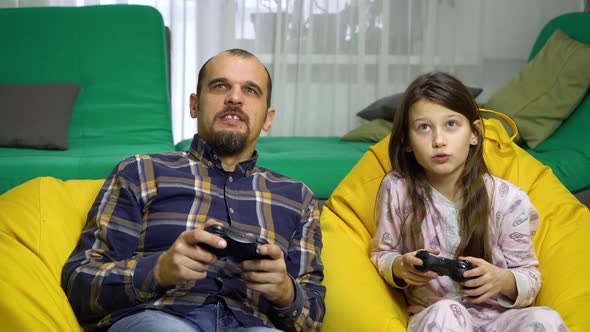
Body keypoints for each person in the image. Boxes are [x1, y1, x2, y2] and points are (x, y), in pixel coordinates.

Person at [61, 48, 326, 332]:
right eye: (220, 86)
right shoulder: (140, 172)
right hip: (161, 318)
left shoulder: (298, 198)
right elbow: (79, 284)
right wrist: (158, 270)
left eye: (250, 90)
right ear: (194, 105)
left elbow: (313, 318)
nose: (234, 98)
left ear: (268, 117)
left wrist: (286, 292)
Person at [370, 72, 568, 331]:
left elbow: (530, 277)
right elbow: (382, 253)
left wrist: (503, 280)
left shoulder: (509, 200)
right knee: (447, 312)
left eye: (451, 124)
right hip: (437, 317)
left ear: (474, 133)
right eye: (424, 127)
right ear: (407, 141)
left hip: (498, 320)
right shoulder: (398, 188)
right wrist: (400, 266)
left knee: (546, 319)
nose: (439, 141)